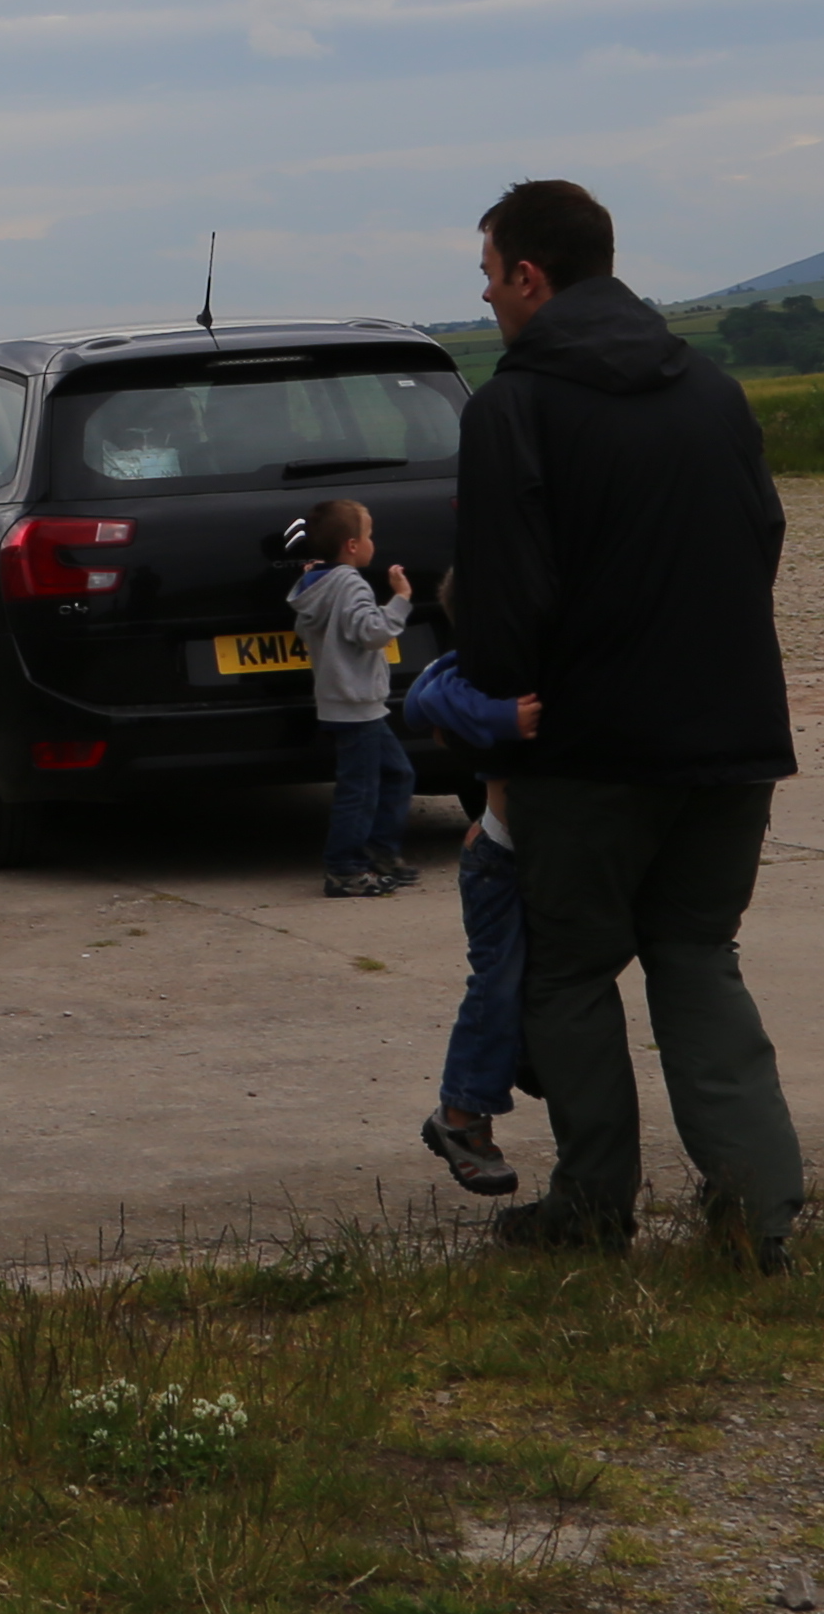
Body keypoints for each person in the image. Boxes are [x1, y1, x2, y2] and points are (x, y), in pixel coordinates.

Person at [453, 175, 806, 1265]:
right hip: (733, 735)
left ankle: (593, 1206)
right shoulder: (711, 389)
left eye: (489, 279)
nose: (488, 304)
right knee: (697, 955)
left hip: (589, 747)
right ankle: (757, 1212)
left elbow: (504, 609)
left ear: (530, 276)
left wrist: (495, 728)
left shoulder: (513, 406)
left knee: (570, 971)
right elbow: (765, 540)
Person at [401, 653, 538, 1196]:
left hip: (539, 857)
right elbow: (422, 700)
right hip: (498, 858)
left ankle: (525, 1058)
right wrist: (501, 718)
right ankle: (462, 1114)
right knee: (498, 982)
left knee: (538, 982)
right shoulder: (499, 662)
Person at [287, 498, 417, 896]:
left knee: (397, 774)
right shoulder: (348, 584)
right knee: (358, 791)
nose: (373, 541)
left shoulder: (318, 582)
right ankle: (344, 869)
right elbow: (371, 633)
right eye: (369, 534)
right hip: (355, 705)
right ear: (353, 545)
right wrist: (400, 600)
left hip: (352, 704)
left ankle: (380, 850)